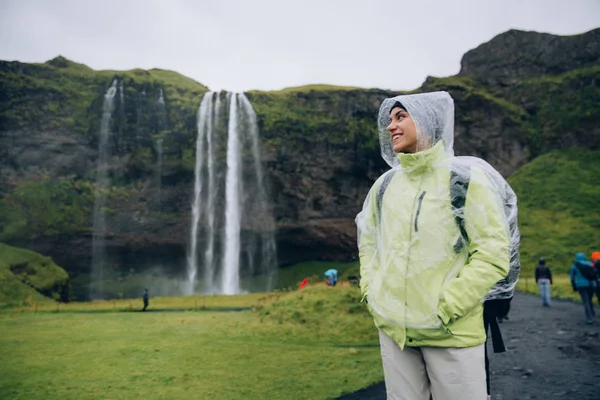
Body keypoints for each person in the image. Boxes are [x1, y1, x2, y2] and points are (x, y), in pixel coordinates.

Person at [356, 92, 518, 400]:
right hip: (395, 331)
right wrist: (373, 293)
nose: (390, 126)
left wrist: (446, 307)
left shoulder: (465, 181)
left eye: (400, 117)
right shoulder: (385, 186)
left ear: (427, 121)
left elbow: (494, 253)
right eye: (389, 119)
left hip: (450, 332)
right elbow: (369, 243)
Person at [569, 253, 596, 324]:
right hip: (591, 284)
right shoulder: (589, 264)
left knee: (586, 301)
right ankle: (592, 313)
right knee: (590, 300)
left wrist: (574, 286)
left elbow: (572, 277)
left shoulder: (574, 266)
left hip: (581, 285)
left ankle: (590, 318)